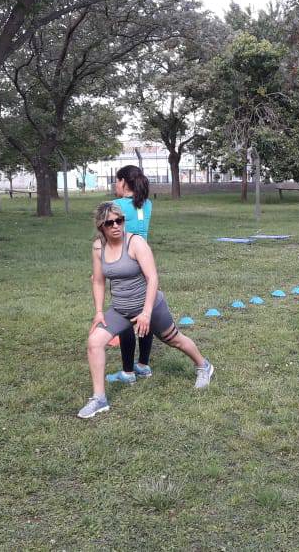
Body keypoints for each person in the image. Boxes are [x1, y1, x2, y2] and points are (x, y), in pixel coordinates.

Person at [78, 202, 214, 418]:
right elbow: (98, 281)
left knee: (174, 339)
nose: (115, 226)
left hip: (149, 306)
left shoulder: (136, 243)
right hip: (121, 309)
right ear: (101, 227)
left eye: (119, 220)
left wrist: (146, 313)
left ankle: (203, 366)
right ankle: (99, 399)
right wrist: (99, 312)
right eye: (109, 223)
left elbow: (152, 278)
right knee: (94, 342)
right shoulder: (98, 247)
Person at [105, 165, 155, 385]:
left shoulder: (116, 206)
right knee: (145, 315)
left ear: (124, 181)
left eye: (117, 181)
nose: (115, 185)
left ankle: (128, 372)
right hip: (145, 265)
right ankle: (143, 365)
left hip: (124, 265)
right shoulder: (148, 204)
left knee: (125, 316)